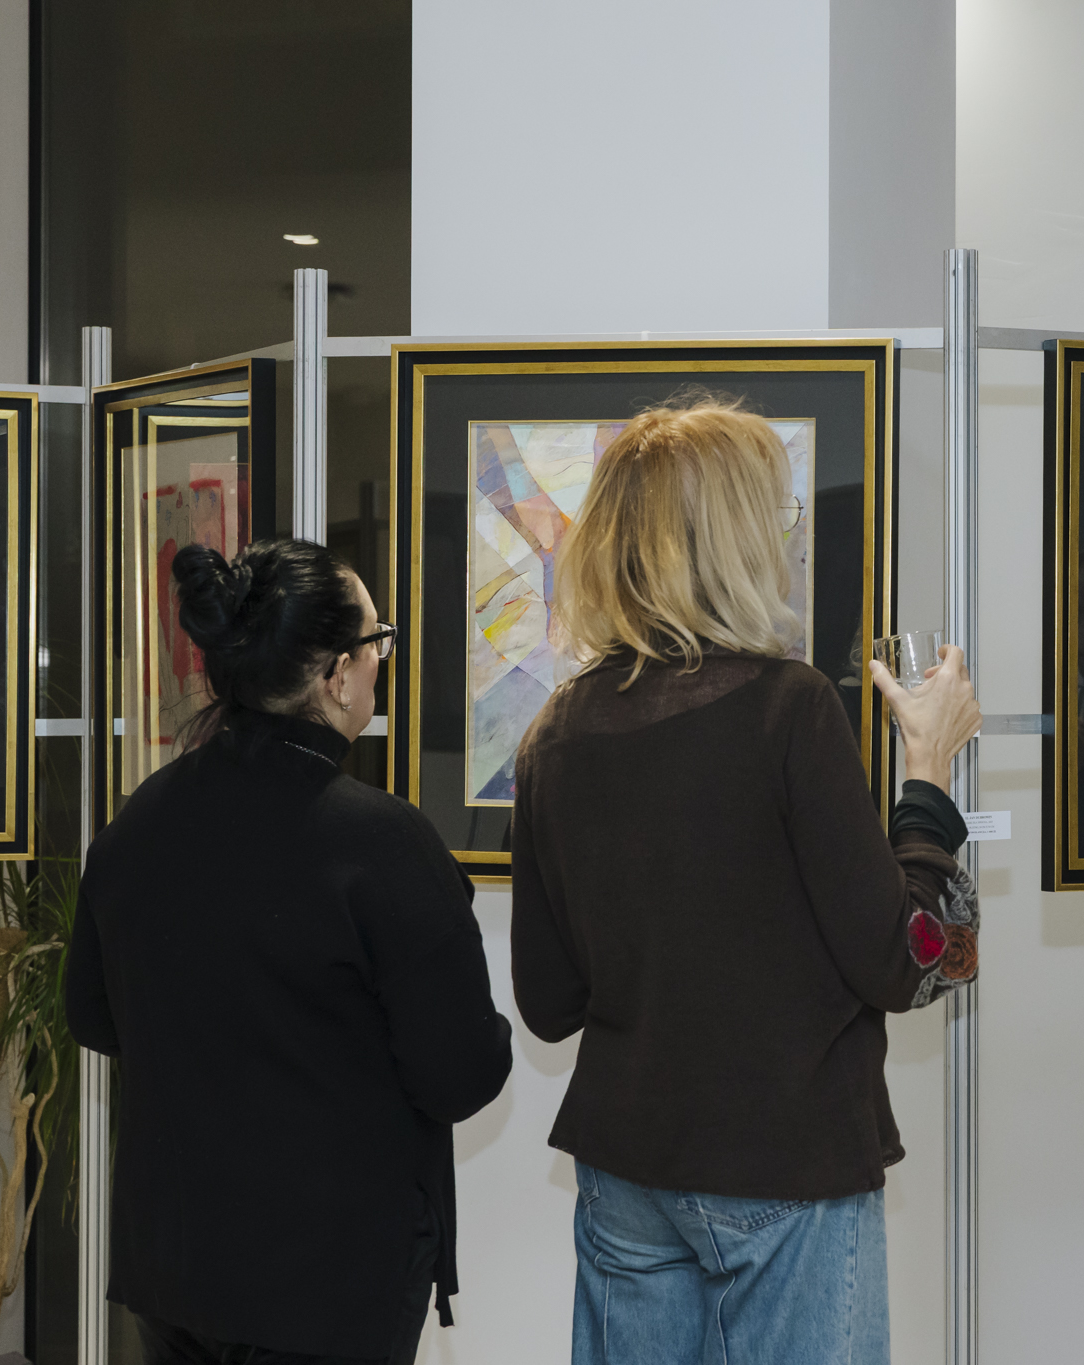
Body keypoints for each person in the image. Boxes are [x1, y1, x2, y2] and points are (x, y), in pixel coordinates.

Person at [506, 396, 982, 1365]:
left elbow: (548, 1004)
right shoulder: (786, 707)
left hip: (626, 1171)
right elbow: (910, 962)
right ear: (731, 542)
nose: (785, 537)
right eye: (776, 513)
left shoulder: (554, 731)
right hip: (785, 1165)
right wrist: (928, 776)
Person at [66, 538, 513, 1365]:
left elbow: (93, 1015)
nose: (380, 665)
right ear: (337, 674)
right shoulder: (382, 842)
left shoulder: (139, 820)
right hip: (327, 1280)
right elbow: (462, 1073)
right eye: (378, 643)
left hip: (174, 1263)